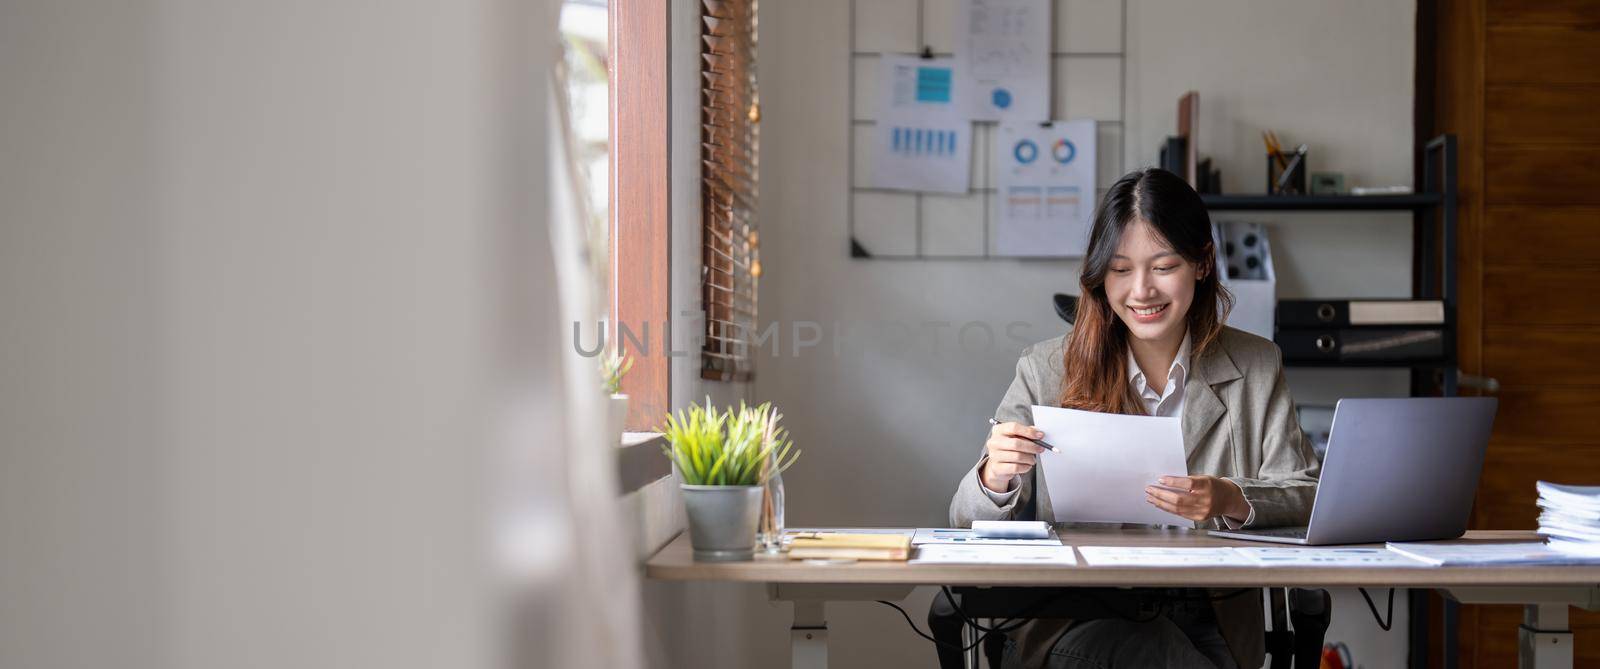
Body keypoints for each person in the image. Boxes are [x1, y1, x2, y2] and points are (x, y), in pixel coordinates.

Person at [949, 168, 1320, 669]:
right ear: (1100, 274)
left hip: (1213, 618)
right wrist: (995, 476)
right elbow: (965, 519)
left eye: (1164, 266)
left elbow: (1307, 495)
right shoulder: (1045, 368)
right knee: (1153, 656)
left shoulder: (1256, 364)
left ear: (1202, 263)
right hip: (1075, 615)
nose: (1141, 290)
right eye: (1120, 269)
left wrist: (1231, 497)